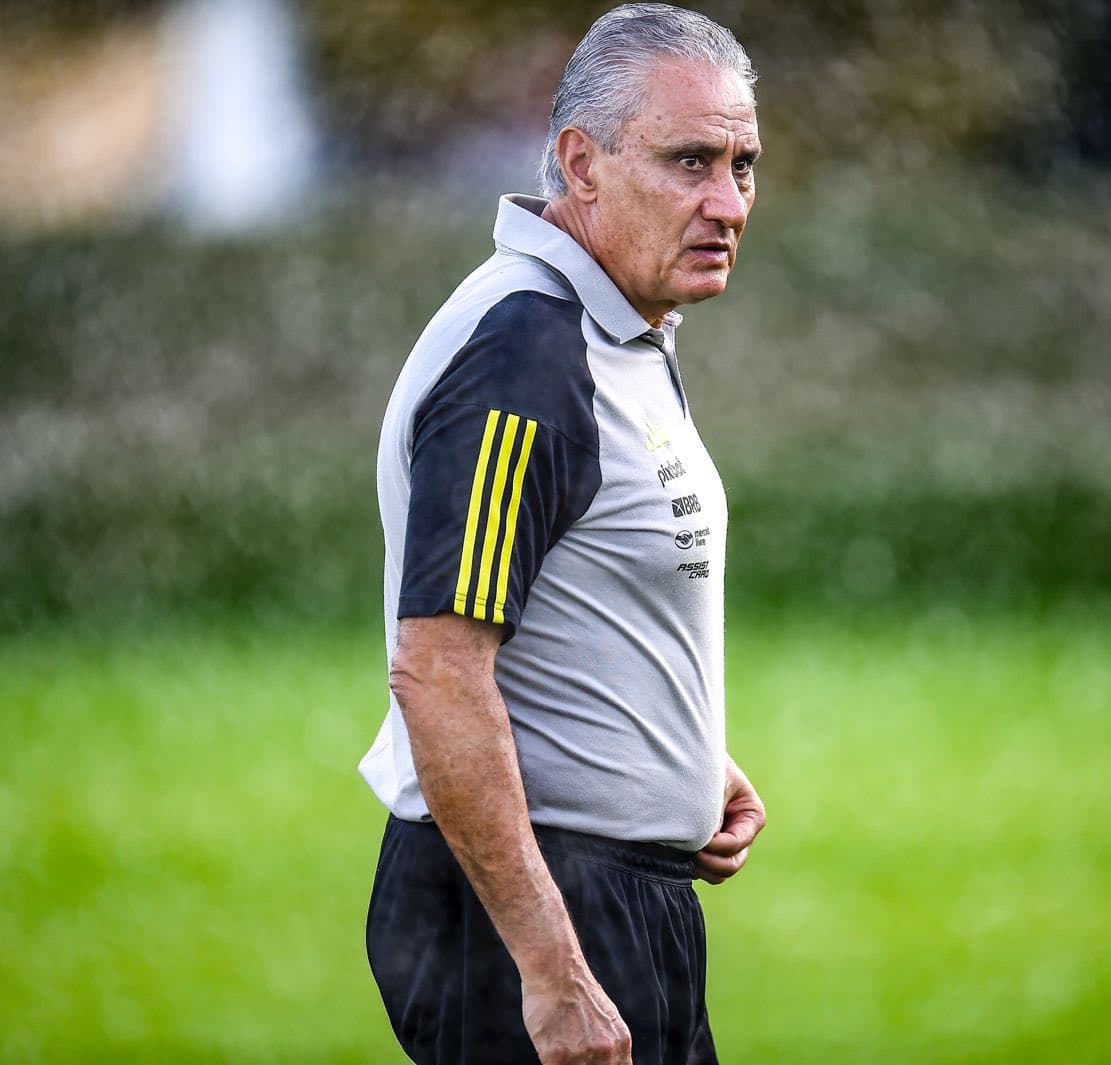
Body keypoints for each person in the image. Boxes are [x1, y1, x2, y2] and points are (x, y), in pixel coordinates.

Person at [359, 5, 765, 1063]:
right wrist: (552, 974)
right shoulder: (525, 354)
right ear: (582, 164)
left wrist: (677, 755)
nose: (727, 203)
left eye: (742, 164)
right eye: (690, 162)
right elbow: (439, 671)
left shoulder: (616, 328)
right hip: (530, 923)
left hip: (613, 898)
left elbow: (574, 587)